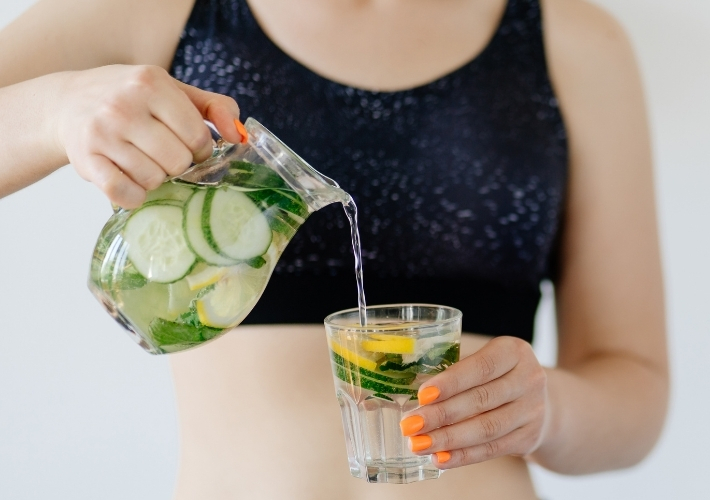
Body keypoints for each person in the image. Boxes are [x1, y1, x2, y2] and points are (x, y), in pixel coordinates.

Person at [0, 0, 667, 498]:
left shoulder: (576, 43)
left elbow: (634, 388)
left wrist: (546, 409)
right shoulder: (166, 10)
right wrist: (56, 109)